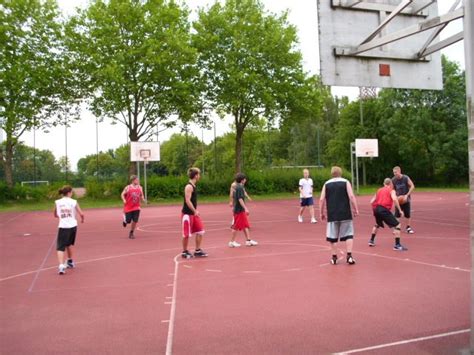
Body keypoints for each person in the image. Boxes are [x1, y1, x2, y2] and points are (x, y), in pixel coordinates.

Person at [319, 166, 359, 265]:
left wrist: (321, 212)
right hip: (345, 212)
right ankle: (349, 256)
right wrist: (355, 209)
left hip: (332, 213)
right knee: (349, 234)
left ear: (332, 173)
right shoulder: (346, 182)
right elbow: (351, 196)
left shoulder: (326, 184)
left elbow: (321, 199)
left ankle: (334, 257)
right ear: (340, 173)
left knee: (332, 236)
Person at [369, 178, 408, 251]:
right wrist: (400, 210)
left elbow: (371, 201)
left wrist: (375, 210)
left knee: (377, 224)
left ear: (384, 184)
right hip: (384, 209)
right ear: (391, 184)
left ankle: (371, 240)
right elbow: (394, 199)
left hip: (377, 209)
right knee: (397, 225)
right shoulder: (391, 190)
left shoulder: (379, 190)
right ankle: (397, 245)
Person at [54, 186, 85, 275]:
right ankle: (69, 261)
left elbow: (55, 214)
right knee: (69, 244)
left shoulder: (58, 202)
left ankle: (61, 265)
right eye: (71, 192)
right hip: (73, 226)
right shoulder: (73, 202)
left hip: (63, 226)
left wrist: (61, 214)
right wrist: (82, 219)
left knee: (60, 247)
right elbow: (82, 213)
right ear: (69, 193)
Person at [181, 167, 208, 258]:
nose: (199, 176)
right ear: (196, 176)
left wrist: (195, 211)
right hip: (187, 214)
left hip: (193, 214)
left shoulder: (194, 185)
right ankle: (184, 251)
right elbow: (188, 201)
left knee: (200, 231)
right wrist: (195, 210)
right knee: (186, 234)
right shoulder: (189, 186)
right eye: (199, 174)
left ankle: (197, 250)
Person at [229, 173, 258, 247]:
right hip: (239, 210)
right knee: (236, 226)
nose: (246, 180)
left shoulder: (239, 186)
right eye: (245, 179)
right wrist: (246, 208)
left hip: (239, 209)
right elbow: (240, 199)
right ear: (242, 180)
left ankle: (248, 240)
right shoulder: (239, 188)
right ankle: (232, 242)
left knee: (245, 225)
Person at [392, 166, 415, 234]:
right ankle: (397, 228)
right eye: (394, 172)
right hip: (398, 200)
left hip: (406, 199)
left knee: (407, 214)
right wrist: (395, 197)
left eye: (395, 172)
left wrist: (406, 195)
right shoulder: (393, 180)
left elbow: (412, 186)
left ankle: (408, 227)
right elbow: (392, 189)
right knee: (397, 215)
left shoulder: (405, 178)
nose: (394, 174)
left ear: (399, 171)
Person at [121, 175, 145, 239]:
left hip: (136, 207)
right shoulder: (128, 187)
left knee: (135, 220)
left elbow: (141, 195)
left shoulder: (140, 187)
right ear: (133, 180)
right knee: (128, 221)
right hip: (128, 207)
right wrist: (124, 199)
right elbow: (122, 194)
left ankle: (131, 233)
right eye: (136, 180)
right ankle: (125, 220)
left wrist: (143, 199)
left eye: (138, 180)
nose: (138, 181)